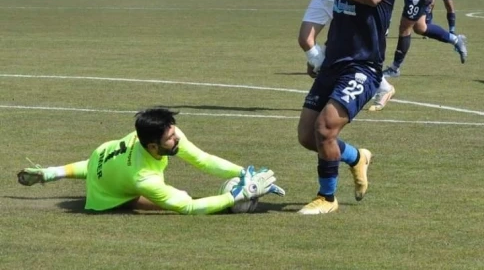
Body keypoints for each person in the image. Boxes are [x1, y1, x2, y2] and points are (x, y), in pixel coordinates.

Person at [296, 0, 397, 214]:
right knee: (307, 136)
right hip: (333, 64)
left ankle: (327, 198)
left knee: (326, 129)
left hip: (361, 68)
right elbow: (340, 21)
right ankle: (356, 156)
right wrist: (319, 57)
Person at [16, 107, 285, 214]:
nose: (177, 139)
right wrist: (236, 196)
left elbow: (203, 160)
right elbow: (189, 207)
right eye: (170, 138)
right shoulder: (143, 178)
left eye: (174, 131)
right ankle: (54, 173)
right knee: (172, 198)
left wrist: (243, 173)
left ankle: (52, 173)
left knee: (100, 168)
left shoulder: (160, 136)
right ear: (153, 146)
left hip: (102, 156)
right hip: (105, 193)